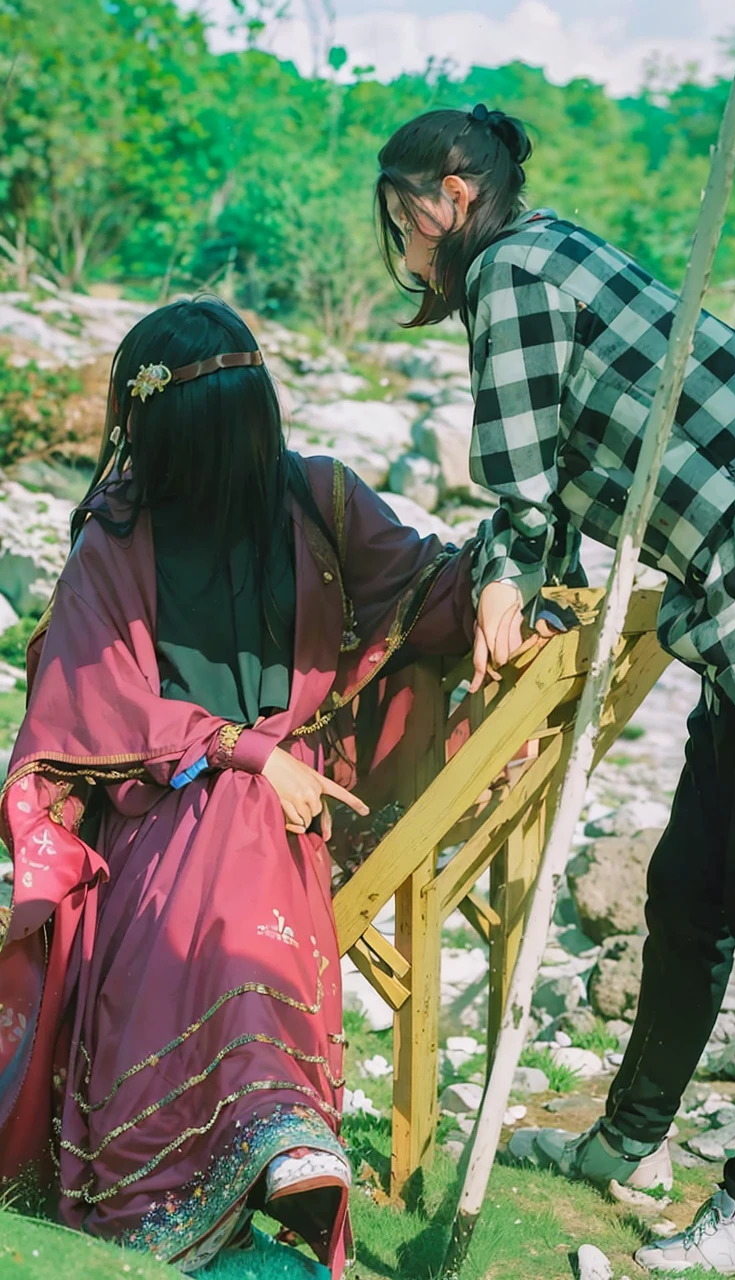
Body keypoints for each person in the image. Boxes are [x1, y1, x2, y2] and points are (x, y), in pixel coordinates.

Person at [375, 104, 735, 1279]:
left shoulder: (513, 275)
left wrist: (504, 585)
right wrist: (519, 575)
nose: (402, 251)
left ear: (445, 193)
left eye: (399, 221)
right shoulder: (552, 253)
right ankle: (629, 1140)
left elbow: (527, 501)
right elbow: (560, 511)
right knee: (687, 891)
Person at [0, 297, 476, 1275]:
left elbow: (431, 597)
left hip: (317, 802)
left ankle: (268, 1135)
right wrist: (248, 751)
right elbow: (86, 705)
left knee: (253, 805)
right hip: (151, 815)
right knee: (237, 799)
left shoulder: (318, 499)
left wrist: (513, 569)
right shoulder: (119, 534)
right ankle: (272, 1130)